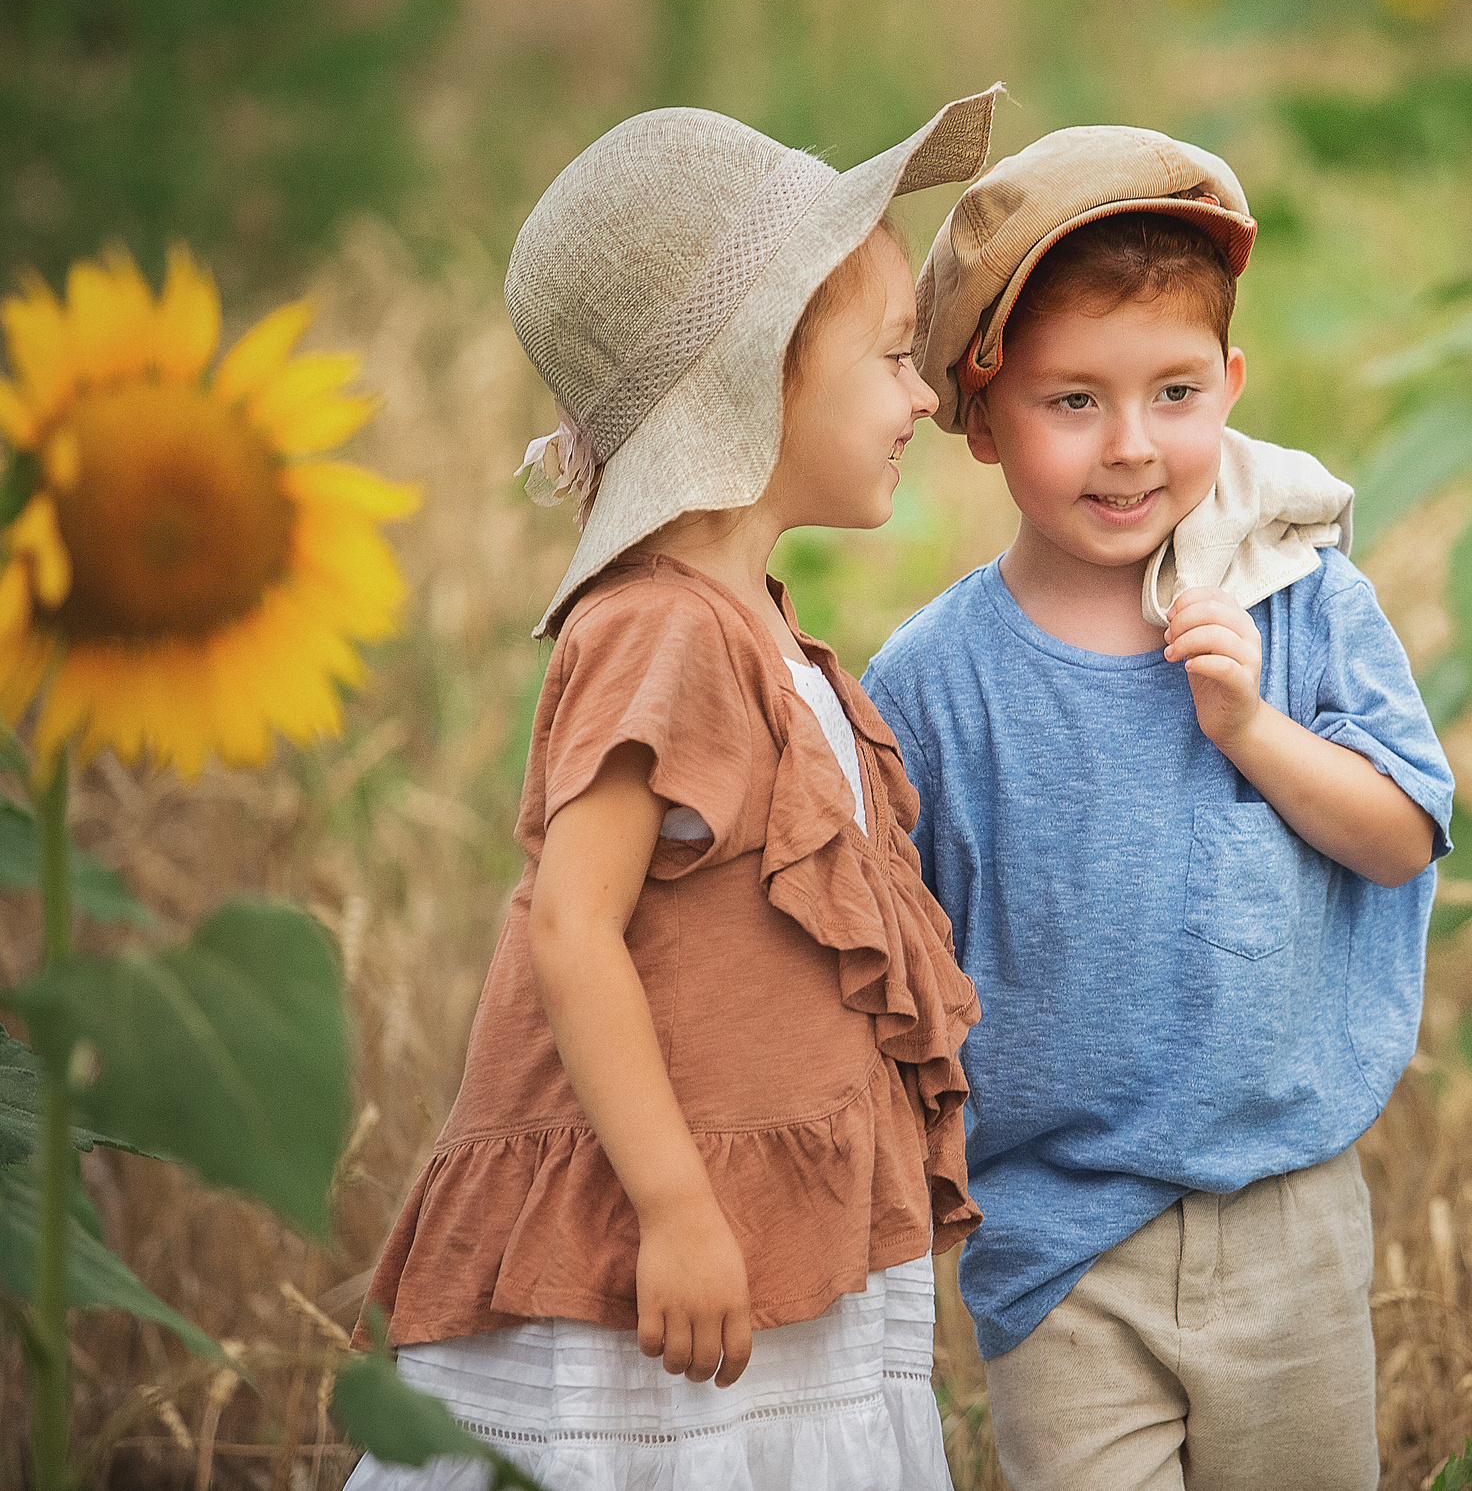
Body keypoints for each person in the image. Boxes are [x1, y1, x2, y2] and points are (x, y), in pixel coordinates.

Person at [347, 88, 999, 1490]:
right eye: (892, 357)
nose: (924, 395)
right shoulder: (663, 630)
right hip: (671, 1248)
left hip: (776, 1230)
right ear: (761, 373)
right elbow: (571, 928)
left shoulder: (756, 623)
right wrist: (675, 1205)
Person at [862, 126, 1455, 1490]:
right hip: (1060, 1241)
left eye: (1176, 392)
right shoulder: (936, 685)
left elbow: (1402, 836)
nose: (1131, 448)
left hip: (1287, 1209)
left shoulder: (1304, 606)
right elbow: (900, 962)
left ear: (1233, 385)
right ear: (983, 406)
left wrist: (1251, 728)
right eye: (1075, 402)